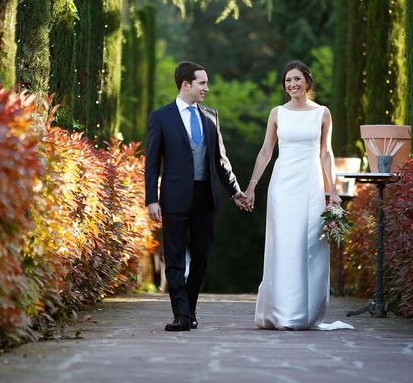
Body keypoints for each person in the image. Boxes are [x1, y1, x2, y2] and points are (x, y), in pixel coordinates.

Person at [243, 60, 353, 331]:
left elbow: (326, 153)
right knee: (283, 245)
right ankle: (279, 313)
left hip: (311, 183)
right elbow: (266, 151)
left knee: (308, 245)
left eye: (297, 79)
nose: (292, 84)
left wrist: (334, 191)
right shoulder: (277, 113)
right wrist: (252, 185)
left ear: (307, 82)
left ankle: (302, 314)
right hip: (282, 185)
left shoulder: (323, 113)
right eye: (288, 80)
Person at [145, 61, 247, 332]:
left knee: (202, 255)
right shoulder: (161, 117)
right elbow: (152, 162)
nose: (207, 88)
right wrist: (151, 199)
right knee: (175, 256)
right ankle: (180, 314)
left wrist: (235, 191)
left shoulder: (211, 116)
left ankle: (188, 307)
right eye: (202, 83)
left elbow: (221, 160)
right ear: (185, 84)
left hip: (205, 196)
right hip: (174, 197)